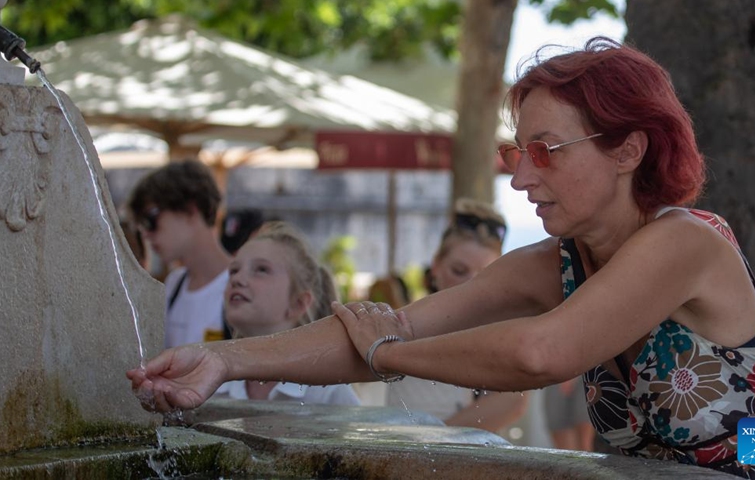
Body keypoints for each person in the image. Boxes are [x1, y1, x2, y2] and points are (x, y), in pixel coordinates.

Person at [128, 37, 755, 478]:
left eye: (545, 151)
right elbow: (397, 322)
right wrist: (223, 361)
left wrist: (387, 354)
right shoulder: (555, 263)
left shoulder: (686, 241)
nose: (520, 178)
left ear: (628, 149)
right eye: (516, 153)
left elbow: (540, 353)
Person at [384, 198, 527, 433]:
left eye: (484, 276)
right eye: (459, 271)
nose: (470, 285)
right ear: (436, 266)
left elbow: (512, 402)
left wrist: (435, 442)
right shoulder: (402, 323)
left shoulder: (497, 331)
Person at [214, 221, 359, 406]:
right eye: (234, 270)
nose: (237, 279)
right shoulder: (216, 383)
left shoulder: (325, 389)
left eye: (261, 269)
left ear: (298, 303)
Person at [128, 159, 231, 348]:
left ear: (190, 211)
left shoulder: (240, 287)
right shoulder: (174, 284)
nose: (146, 233)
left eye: (151, 219)